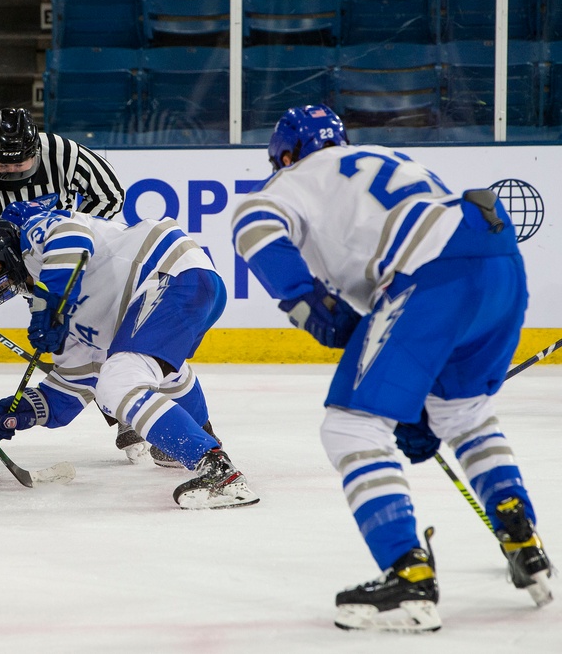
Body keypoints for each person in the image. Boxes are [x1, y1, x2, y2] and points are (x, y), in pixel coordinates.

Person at [231, 104, 553, 632]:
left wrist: (306, 303)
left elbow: (253, 227)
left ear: (285, 154)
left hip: (432, 273)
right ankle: (522, 538)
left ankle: (409, 576)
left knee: (351, 425)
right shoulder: (386, 157)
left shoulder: (289, 182)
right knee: (463, 414)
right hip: (498, 256)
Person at [0, 213, 259, 510]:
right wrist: (25, 410)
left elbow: (71, 238)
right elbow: (78, 380)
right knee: (148, 371)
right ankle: (199, 436)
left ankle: (219, 473)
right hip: (178, 287)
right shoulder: (50, 302)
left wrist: (50, 305)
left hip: (169, 274)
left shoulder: (32, 237)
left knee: (119, 383)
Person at [0, 107, 169, 465]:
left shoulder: (64, 153)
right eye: (2, 167)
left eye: (20, 165)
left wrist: (83, 237)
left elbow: (111, 193)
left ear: (35, 150)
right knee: (72, 339)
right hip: (10, 265)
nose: (11, 173)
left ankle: (129, 416)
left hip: (68, 256)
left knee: (103, 330)